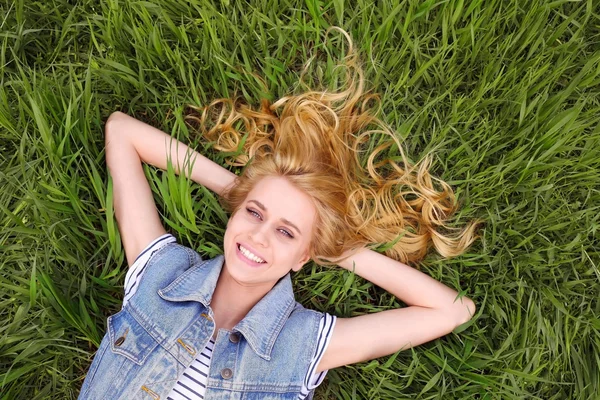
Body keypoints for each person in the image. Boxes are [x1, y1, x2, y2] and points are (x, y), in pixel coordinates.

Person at [78, 30, 478, 400]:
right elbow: (122, 132)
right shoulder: (161, 278)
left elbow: (452, 310)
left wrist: (333, 249)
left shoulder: (300, 344)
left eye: (286, 233)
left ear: (305, 257)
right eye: (254, 213)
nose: (259, 236)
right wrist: (238, 190)